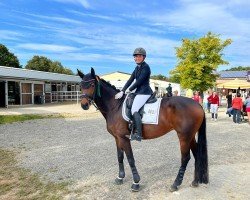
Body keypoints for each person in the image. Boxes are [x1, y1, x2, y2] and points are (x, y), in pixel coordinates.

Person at [115, 47, 153, 141]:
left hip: (144, 93)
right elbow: (130, 80)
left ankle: (138, 134)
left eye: (139, 56)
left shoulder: (146, 67)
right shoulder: (137, 68)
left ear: (143, 57)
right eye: (136, 56)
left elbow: (139, 81)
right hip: (138, 92)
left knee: (134, 109)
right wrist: (122, 91)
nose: (137, 58)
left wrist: (130, 89)